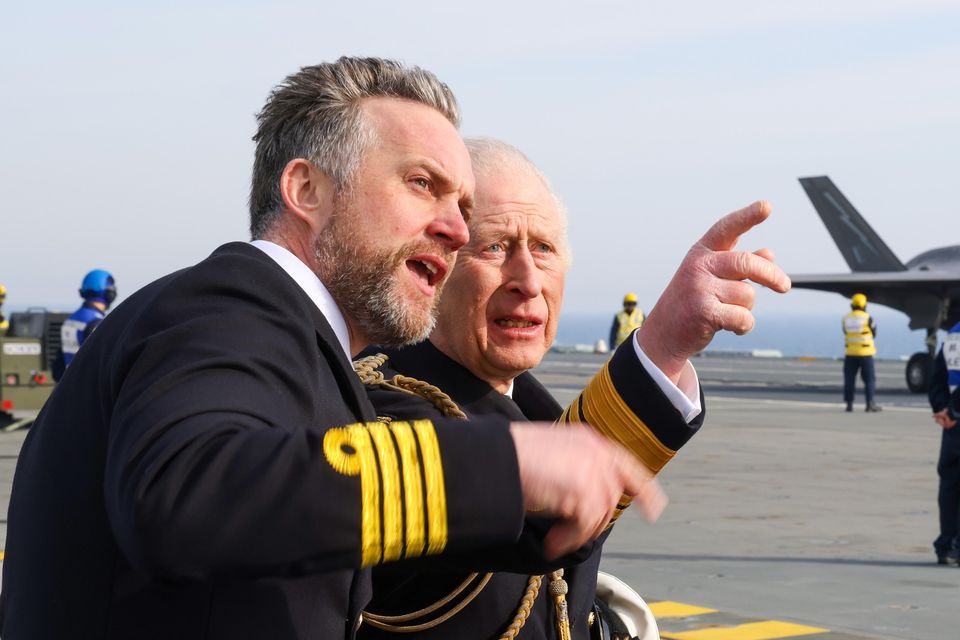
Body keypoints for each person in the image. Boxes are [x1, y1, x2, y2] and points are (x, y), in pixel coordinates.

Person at [0, 58, 662, 640]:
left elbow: (349, 507)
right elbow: (188, 491)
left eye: (462, 203)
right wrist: (500, 463)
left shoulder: (301, 349)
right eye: (423, 184)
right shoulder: (227, 307)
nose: (457, 229)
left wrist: (545, 480)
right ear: (306, 190)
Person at [355, 139, 791, 639]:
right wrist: (661, 344)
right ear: (432, 266)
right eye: (494, 246)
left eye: (543, 249)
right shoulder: (380, 406)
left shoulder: (534, 409)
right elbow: (545, 508)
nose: (527, 280)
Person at [928, 321, 960, 565]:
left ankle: (946, 545)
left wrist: (942, 410)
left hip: (951, 428)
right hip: (955, 416)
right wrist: (953, 411)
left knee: (949, 484)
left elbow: (937, 377)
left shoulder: (953, 334)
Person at [55, 269, 117, 378]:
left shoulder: (70, 320)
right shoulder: (97, 323)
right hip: (88, 387)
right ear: (108, 293)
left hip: (69, 385)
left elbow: (59, 363)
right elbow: (103, 363)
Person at [842, 292, 881, 412]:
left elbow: (845, 331)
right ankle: (870, 404)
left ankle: (849, 404)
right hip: (865, 354)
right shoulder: (868, 318)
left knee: (849, 380)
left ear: (852, 305)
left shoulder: (846, 318)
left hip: (850, 353)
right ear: (864, 305)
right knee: (869, 380)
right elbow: (874, 333)